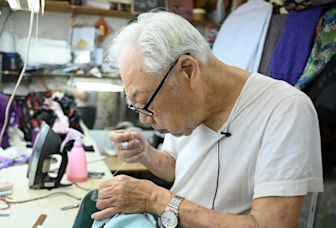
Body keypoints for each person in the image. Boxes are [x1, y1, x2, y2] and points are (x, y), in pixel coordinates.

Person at [91, 11, 323, 227]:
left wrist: (156, 199)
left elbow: (272, 225)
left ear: (188, 70)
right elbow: (178, 167)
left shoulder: (285, 108)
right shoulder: (188, 104)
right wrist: (146, 154)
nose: (144, 119)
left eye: (146, 104)